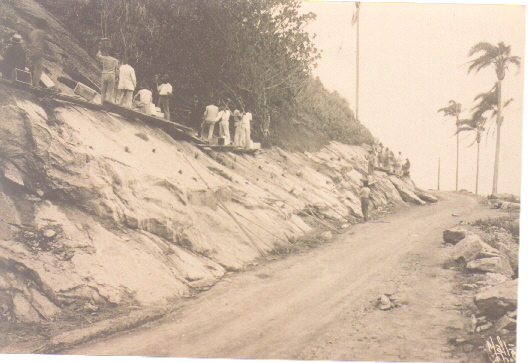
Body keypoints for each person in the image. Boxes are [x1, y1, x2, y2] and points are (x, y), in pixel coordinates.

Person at [29, 19, 55, 87]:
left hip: (32, 50)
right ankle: (35, 84)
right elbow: (51, 38)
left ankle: (27, 80)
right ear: (42, 25)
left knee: (31, 66)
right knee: (38, 69)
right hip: (38, 51)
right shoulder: (42, 32)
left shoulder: (33, 32)